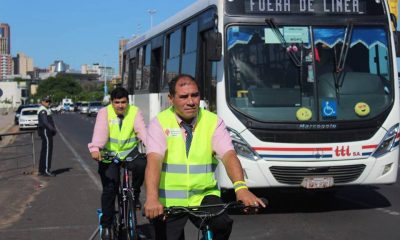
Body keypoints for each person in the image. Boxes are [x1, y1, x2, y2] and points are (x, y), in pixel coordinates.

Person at [144, 74, 266, 240]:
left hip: (203, 197)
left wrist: (241, 188)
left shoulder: (213, 122)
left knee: (222, 224)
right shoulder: (159, 123)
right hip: (168, 201)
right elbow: (154, 161)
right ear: (171, 98)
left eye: (195, 95)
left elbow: (229, 155)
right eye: (183, 97)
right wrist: (152, 198)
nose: (191, 102)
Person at [88, 87, 147, 240]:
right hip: (110, 153)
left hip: (129, 152)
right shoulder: (104, 113)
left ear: (128, 102)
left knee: (142, 165)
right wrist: (96, 148)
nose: (121, 105)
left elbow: (142, 131)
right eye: (117, 102)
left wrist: (152, 147)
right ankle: (107, 225)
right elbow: (100, 132)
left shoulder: (134, 111)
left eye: (123, 102)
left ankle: (135, 192)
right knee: (110, 189)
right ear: (112, 102)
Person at [37, 96, 57, 177]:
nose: (48, 103)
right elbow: (45, 122)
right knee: (47, 150)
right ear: (42, 102)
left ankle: (42, 170)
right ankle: (46, 170)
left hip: (45, 131)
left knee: (45, 150)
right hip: (45, 131)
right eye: (46, 101)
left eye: (49, 101)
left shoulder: (45, 109)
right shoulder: (43, 110)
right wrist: (53, 129)